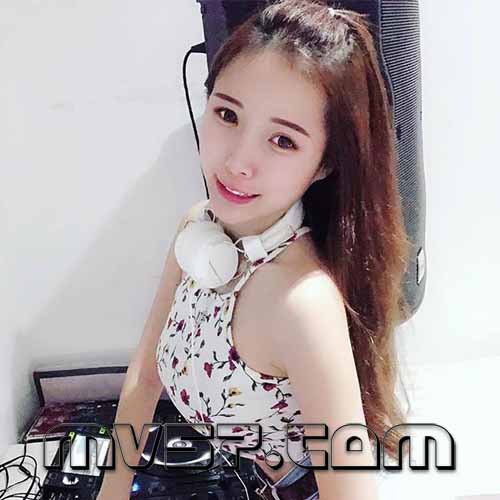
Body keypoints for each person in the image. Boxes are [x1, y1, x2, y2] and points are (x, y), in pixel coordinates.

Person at [97, 0, 411, 498]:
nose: (238, 161)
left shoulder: (301, 304)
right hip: (236, 479)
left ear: (325, 163)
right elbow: (145, 374)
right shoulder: (197, 229)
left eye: (283, 141)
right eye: (227, 114)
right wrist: (110, 491)